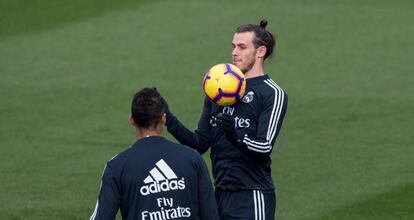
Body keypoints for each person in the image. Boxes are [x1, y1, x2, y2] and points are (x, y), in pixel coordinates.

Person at [163, 19, 288, 219]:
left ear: (260, 52)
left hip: (252, 195)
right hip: (219, 194)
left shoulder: (271, 93)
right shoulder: (218, 89)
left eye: (241, 47)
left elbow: (264, 147)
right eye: (233, 46)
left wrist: (235, 135)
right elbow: (200, 144)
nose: (234, 52)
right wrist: (169, 119)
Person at [90, 88, 219, 220]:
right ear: (163, 118)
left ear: (131, 119)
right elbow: (211, 215)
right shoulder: (192, 158)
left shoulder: (117, 166)